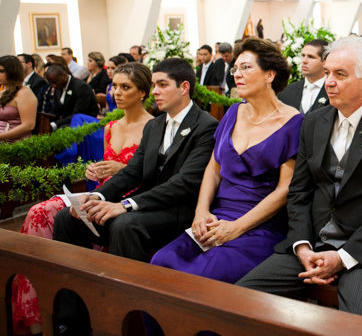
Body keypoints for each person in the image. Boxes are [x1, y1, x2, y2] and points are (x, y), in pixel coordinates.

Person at [235, 36, 362, 320]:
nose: (329, 82)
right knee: (241, 301)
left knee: (356, 326)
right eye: (328, 73)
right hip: (313, 245)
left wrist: (343, 257)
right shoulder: (314, 121)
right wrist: (303, 245)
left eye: (340, 74)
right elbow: (299, 192)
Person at [12, 63, 152, 335]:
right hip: (103, 191)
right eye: (115, 86)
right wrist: (95, 170)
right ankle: (39, 306)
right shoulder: (111, 125)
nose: (117, 93)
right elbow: (106, 170)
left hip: (132, 196)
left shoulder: (153, 127)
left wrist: (121, 170)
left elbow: (155, 176)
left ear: (143, 93)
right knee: (38, 212)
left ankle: (55, 304)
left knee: (46, 213)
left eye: (126, 87)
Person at [151, 38, 302, 283]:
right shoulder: (233, 112)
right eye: (235, 69)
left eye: (246, 68)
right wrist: (201, 212)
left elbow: (284, 189)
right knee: (161, 263)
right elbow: (213, 169)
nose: (237, 75)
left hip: (258, 226)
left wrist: (237, 228)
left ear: (270, 75)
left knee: (202, 276)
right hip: (216, 218)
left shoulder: (293, 122)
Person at [53, 57, 219, 263]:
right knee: (68, 217)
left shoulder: (206, 126)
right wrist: (98, 195)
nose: (155, 91)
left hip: (178, 210)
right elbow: (132, 171)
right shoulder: (155, 125)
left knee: (124, 224)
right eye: (153, 85)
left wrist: (126, 205)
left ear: (184, 87)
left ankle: (124, 293)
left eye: (162, 84)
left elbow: (184, 183)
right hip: (146, 204)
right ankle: (76, 289)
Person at [278, 39, 329, 113]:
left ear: (325, 61)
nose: (304, 61)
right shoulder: (288, 90)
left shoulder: (332, 91)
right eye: (303, 55)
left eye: (311, 57)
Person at [43, 63, 99, 130]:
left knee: (61, 130)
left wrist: (56, 124)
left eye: (54, 82)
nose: (53, 86)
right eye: (51, 83)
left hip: (83, 122)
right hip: (67, 122)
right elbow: (55, 111)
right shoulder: (58, 88)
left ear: (64, 76)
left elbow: (78, 114)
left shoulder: (81, 87)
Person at [0, 56, 38, 143]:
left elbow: (29, 125)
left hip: (15, 145)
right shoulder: (2, 92)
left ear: (12, 72)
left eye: (1, 71)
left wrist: (1, 137)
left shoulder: (24, 93)